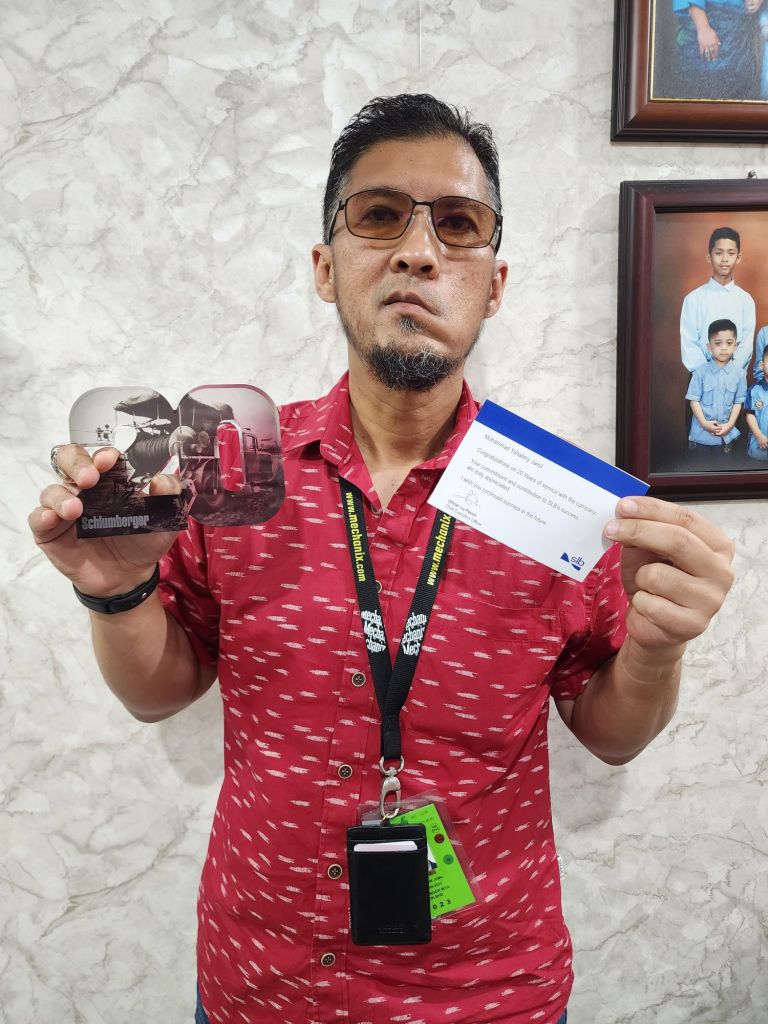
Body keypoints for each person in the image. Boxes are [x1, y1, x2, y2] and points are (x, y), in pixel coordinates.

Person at [29, 94, 735, 1024]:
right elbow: (161, 694)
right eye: (379, 216)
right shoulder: (231, 465)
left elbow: (612, 736)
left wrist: (656, 648)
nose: (418, 252)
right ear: (326, 267)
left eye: (458, 224)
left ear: (495, 283)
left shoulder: (565, 504)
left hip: (490, 991)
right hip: (262, 980)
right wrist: (120, 593)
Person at [680, 226, 755, 374]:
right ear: (709, 257)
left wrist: (729, 374)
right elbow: (689, 344)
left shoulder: (746, 300)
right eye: (719, 253)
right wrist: (708, 375)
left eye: (731, 253)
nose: (725, 259)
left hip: (734, 378)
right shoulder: (693, 299)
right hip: (700, 378)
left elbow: (746, 346)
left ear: (738, 257)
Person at [672, 0, 764, 100]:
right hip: (705, 27)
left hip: (739, 38)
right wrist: (703, 28)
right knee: (701, 88)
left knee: (738, 89)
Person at [686, 318, 747, 457]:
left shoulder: (740, 374)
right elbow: (694, 401)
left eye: (729, 343)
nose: (724, 348)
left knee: (723, 467)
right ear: (709, 346)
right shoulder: (699, 372)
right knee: (699, 468)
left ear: (736, 346)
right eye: (718, 343)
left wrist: (730, 425)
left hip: (725, 437)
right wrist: (704, 423)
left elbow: (738, 403)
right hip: (700, 437)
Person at [745, 348, 768, 459]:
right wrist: (759, 436)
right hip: (757, 448)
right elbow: (750, 415)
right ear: (761, 365)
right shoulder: (754, 391)